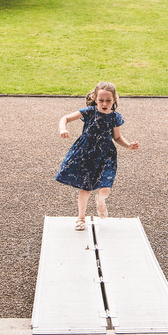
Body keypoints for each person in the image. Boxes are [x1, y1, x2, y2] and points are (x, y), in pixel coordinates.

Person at [56, 81, 139, 230]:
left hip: (106, 155)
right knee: (85, 189)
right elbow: (65, 118)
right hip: (86, 154)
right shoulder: (89, 112)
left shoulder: (115, 117)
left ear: (114, 100)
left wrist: (128, 145)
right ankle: (81, 218)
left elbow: (117, 137)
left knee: (105, 188)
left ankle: (100, 202)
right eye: (101, 100)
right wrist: (63, 129)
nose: (104, 103)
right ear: (95, 98)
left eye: (108, 100)